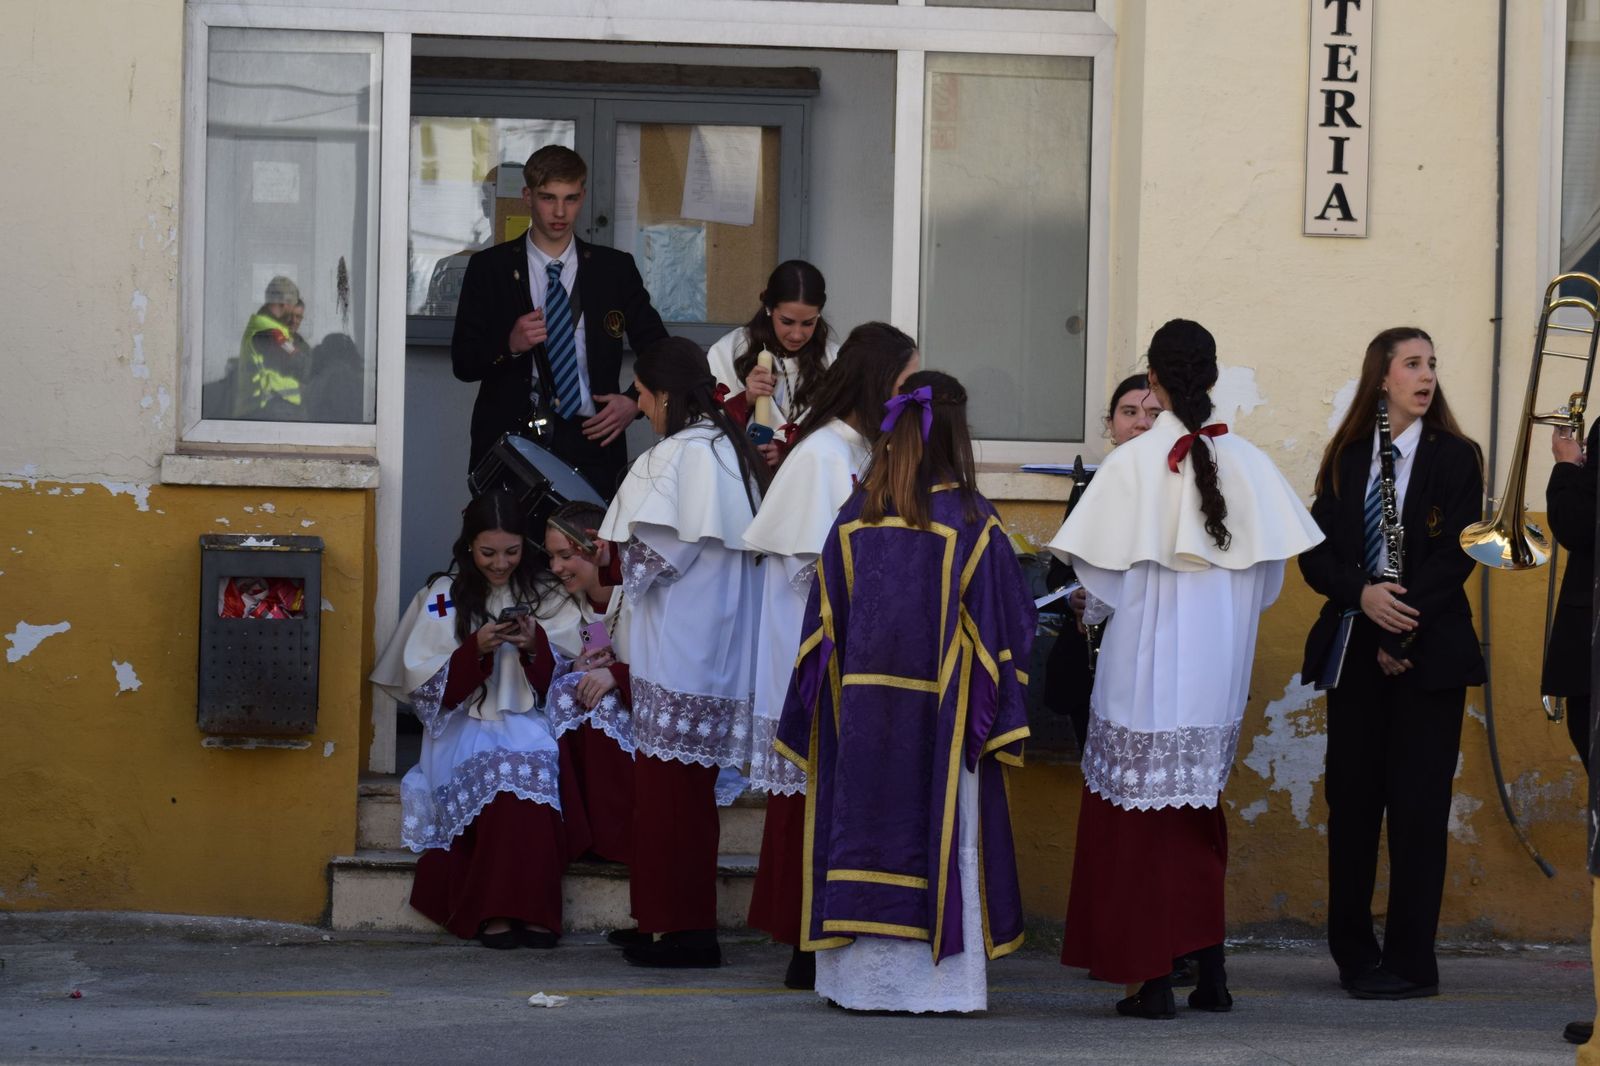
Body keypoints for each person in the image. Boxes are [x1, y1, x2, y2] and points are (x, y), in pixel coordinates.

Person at [1049, 319, 1321, 1019]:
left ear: (1155, 380)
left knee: (1138, 833)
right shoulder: (1250, 463)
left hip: (1143, 675)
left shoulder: (1135, 463)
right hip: (1215, 679)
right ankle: (1212, 977)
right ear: (1213, 373)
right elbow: (1266, 587)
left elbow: (1099, 589)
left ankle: (1152, 982)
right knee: (1198, 823)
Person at [774, 370, 1036, 1013]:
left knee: (860, 826)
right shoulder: (974, 521)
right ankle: (938, 987)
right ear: (956, 431)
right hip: (940, 721)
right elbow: (1010, 625)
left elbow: (819, 626)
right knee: (939, 831)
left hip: (858, 718)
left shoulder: (854, 515)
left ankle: (856, 984)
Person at [1299, 326, 1485, 1001]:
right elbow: (1315, 556)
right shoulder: (1348, 458)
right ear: (1382, 376)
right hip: (1355, 652)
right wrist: (1364, 599)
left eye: (1432, 363)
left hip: (1428, 659)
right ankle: (1354, 955)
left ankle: (1411, 962)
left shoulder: (1458, 456)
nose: (1426, 374)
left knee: (1417, 810)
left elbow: (1459, 554)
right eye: (1412, 363)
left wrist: (1399, 631)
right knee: (1351, 806)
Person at [742, 322, 922, 991]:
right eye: (906, 383)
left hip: (858, 648)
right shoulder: (821, 455)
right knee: (809, 798)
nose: (914, 397)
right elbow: (801, 562)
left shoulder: (868, 450)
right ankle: (801, 938)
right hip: (810, 651)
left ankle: (828, 932)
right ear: (879, 381)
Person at [596, 336, 771, 967]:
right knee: (677, 800)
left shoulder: (679, 455)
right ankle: (657, 922)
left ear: (664, 392)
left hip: (679, 651)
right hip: (714, 651)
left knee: (671, 802)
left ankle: (685, 932)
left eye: (641, 395)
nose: (640, 407)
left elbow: (653, 558)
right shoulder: (729, 449)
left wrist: (607, 557)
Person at [371, 490, 588, 949]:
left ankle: (533, 912)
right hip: (462, 725)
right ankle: (494, 913)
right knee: (496, 772)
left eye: (511, 552)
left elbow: (575, 669)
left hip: (528, 717)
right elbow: (424, 685)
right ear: (468, 545)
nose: (500, 564)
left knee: (533, 769)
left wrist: (535, 644)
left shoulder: (546, 594)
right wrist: (475, 650)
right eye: (488, 552)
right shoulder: (443, 597)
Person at [451, 146, 668, 497]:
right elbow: (463, 362)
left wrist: (633, 402)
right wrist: (510, 345)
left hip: (594, 437)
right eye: (548, 198)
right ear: (527, 197)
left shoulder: (614, 269)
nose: (560, 212)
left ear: (582, 197)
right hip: (512, 441)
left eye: (570, 199)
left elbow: (660, 349)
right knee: (510, 548)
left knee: (587, 548)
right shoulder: (490, 269)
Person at [1042, 373, 1165, 748]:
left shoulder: (1184, 488)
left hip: (1155, 666)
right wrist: (1072, 598)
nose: (1141, 423)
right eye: (1129, 412)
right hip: (1089, 663)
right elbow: (1061, 574)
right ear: (1111, 425)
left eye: (1155, 414)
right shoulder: (1089, 487)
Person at [538, 499, 636, 866]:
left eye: (565, 555)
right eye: (551, 557)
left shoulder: (641, 595)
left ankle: (615, 837)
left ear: (597, 549)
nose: (556, 568)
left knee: (600, 701)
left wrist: (617, 675)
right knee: (572, 691)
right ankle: (579, 832)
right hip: (611, 714)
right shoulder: (572, 604)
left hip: (650, 719)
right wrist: (577, 666)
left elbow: (673, 667)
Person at [707, 260, 837, 463]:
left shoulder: (833, 359)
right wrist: (747, 399)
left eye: (808, 323)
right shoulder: (729, 351)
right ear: (768, 307)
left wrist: (787, 449)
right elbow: (706, 427)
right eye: (787, 322)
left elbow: (843, 432)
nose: (796, 335)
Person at [234, 275, 309, 420]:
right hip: (265, 410)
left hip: (265, 407)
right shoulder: (270, 331)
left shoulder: (263, 325)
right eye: (292, 305)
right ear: (285, 303)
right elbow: (297, 360)